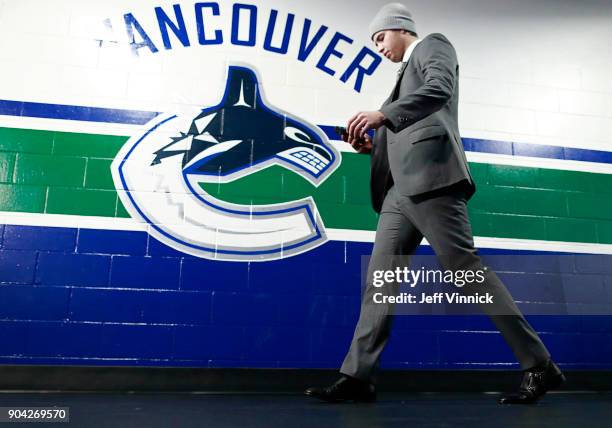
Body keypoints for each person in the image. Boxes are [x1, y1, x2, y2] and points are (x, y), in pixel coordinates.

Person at [305, 2, 565, 405]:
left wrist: (382, 113)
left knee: (466, 274)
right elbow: (401, 132)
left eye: (380, 37)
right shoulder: (399, 81)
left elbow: (438, 91)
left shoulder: (432, 45)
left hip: (433, 180)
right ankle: (358, 376)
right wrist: (369, 146)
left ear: (401, 29)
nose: (378, 47)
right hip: (397, 193)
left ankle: (539, 365)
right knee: (380, 282)